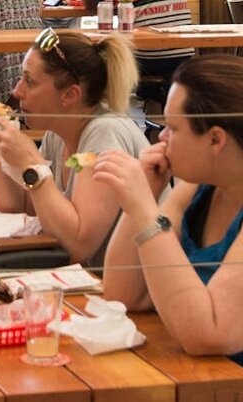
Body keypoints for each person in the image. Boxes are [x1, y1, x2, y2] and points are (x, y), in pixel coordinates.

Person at [97, 54, 243, 365]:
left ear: (215, 138)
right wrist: (146, 194)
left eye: (172, 128)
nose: (161, 138)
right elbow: (124, 292)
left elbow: (208, 334)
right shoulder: (198, 188)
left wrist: (144, 211)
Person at [0, 27, 148, 266]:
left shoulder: (104, 133)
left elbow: (78, 245)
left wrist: (31, 164)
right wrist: (1, 152)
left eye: (29, 81)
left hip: (127, 296)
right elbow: (17, 209)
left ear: (70, 95)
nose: (17, 91)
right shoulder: (59, 132)